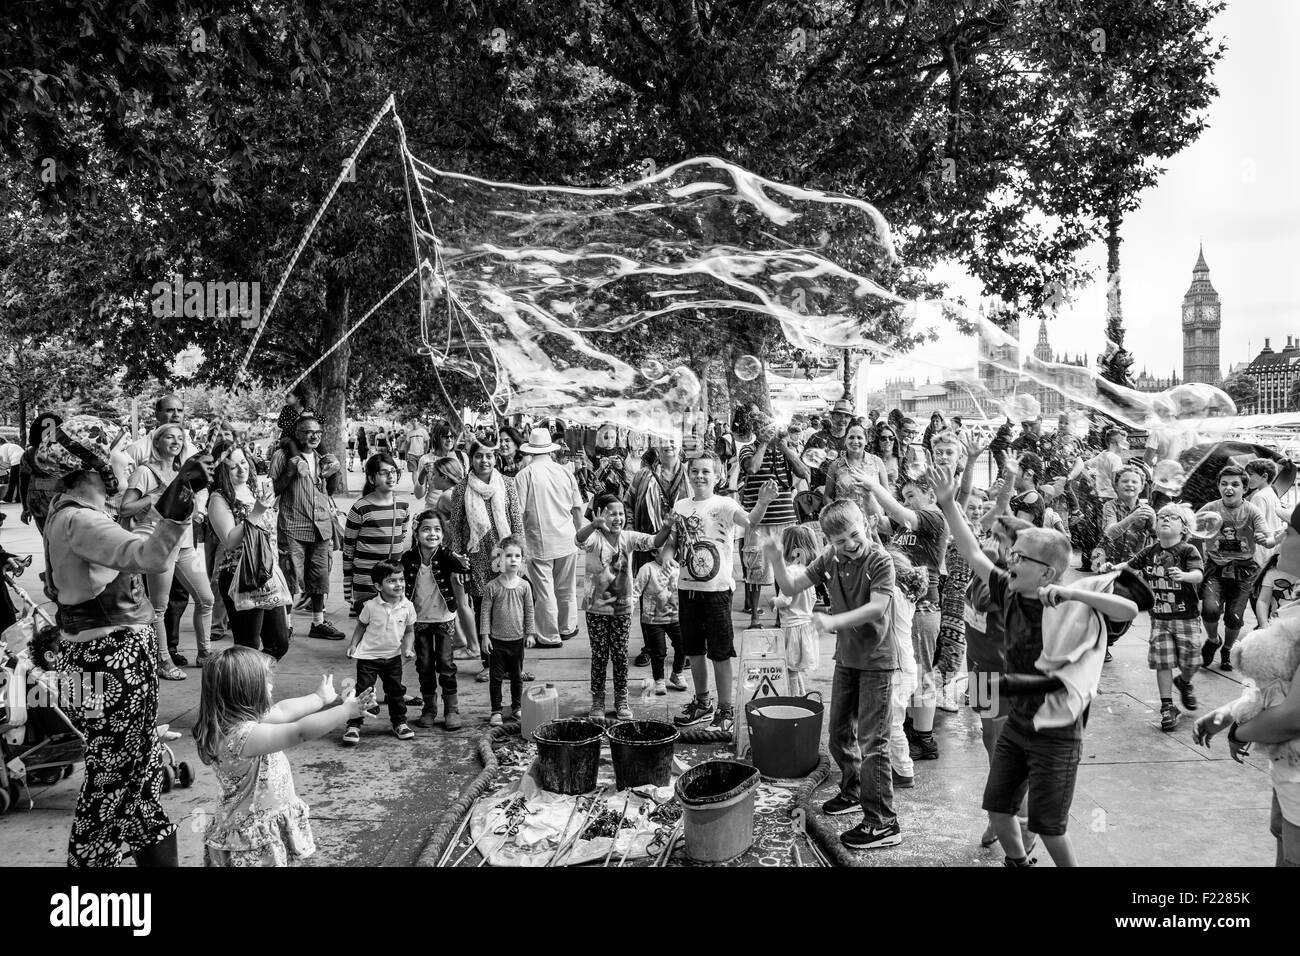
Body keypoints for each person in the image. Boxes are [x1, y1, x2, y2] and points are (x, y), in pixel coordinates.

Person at [933, 462, 1139, 867]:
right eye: (1013, 553)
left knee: (1050, 829)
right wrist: (947, 504)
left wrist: (1072, 595)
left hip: (1056, 734)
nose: (1010, 559)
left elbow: (1128, 607)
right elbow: (971, 550)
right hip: (1017, 726)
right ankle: (1018, 862)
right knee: (997, 810)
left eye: (1021, 557)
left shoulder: (1070, 609)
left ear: (1045, 571)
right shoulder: (1008, 591)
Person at [39, 415, 213, 866]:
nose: (126, 457)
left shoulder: (75, 513)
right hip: (109, 661)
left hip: (96, 657)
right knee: (114, 776)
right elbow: (150, 557)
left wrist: (172, 502)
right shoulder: (81, 521)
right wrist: (176, 510)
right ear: (97, 466)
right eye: (119, 450)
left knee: (135, 777)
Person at [767, 500, 900, 850]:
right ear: (828, 541)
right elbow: (791, 586)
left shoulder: (880, 560)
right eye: (840, 541)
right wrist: (775, 558)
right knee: (839, 731)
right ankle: (853, 791)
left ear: (866, 524)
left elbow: (877, 607)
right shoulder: (830, 558)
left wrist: (832, 622)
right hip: (847, 659)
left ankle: (882, 822)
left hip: (878, 662)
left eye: (854, 535)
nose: (850, 544)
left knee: (874, 741)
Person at [194, 646, 377, 866]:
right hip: (251, 841)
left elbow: (282, 711)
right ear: (245, 690)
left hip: (253, 825)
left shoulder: (231, 721)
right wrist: (346, 711)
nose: (271, 685)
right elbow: (299, 732)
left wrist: (319, 698)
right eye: (265, 682)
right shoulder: (243, 736)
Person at [671, 454, 776, 731]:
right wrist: (668, 556)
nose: (699, 476)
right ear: (688, 475)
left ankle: (725, 709)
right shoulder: (681, 505)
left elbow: (750, 521)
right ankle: (702, 702)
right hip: (687, 588)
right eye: (694, 471)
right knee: (693, 648)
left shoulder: (725, 503)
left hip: (717, 590)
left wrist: (763, 502)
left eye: (706, 471)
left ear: (717, 476)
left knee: (719, 651)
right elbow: (675, 539)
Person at [1193, 598, 1300, 867]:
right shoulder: (1295, 598)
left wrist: (1239, 732)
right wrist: (1231, 713)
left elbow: (1291, 716)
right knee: (1284, 843)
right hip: (1286, 775)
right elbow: (1271, 687)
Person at [859, 469, 948, 761]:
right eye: (905, 496)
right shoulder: (907, 527)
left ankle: (925, 739)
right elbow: (885, 520)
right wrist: (869, 495)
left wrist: (875, 485)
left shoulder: (934, 517)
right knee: (911, 671)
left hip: (923, 608)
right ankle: (914, 727)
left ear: (931, 495)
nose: (906, 501)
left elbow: (897, 512)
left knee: (922, 672)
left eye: (912, 496)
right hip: (906, 606)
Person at [119, 423, 214, 678]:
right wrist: (154, 497)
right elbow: (125, 509)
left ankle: (205, 654)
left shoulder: (184, 472)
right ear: (157, 442)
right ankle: (163, 659)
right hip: (159, 545)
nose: (176, 441)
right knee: (159, 608)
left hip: (184, 547)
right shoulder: (145, 471)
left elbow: (190, 509)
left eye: (180, 438)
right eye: (169, 437)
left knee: (206, 599)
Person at [577, 494, 676, 718]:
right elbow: (579, 540)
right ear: (600, 514)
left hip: (622, 608)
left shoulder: (628, 538)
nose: (618, 518)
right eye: (612, 513)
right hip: (596, 609)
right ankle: (598, 701)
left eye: (621, 513)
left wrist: (667, 527)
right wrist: (592, 525)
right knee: (600, 655)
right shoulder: (594, 538)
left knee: (620, 655)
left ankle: (621, 699)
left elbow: (654, 542)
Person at [1108, 504, 1205, 732]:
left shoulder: (1188, 550)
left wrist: (1184, 575)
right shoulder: (1150, 551)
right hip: (1159, 618)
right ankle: (1167, 706)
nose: (1165, 519)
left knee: (1191, 661)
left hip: (1186, 617)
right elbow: (1129, 566)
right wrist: (1113, 567)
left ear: (1184, 528)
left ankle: (1184, 681)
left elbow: (1199, 575)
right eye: (1162, 516)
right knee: (1163, 661)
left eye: (1173, 517)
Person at [448, 439, 524, 681]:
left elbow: (516, 522)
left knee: (510, 610)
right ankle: (489, 664)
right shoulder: (461, 489)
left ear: (496, 458)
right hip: (477, 557)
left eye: (489, 456)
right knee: (484, 609)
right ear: (471, 458)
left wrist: (521, 555)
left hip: (506, 556)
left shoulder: (508, 484)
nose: (485, 461)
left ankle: (515, 667)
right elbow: (457, 528)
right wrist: (457, 559)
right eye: (479, 455)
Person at [207, 441, 291, 659]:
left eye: (243, 462)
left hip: (267, 573)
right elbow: (229, 541)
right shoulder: (219, 498)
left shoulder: (255, 490)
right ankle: (246, 687)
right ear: (222, 470)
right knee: (248, 646)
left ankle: (257, 681)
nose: (241, 469)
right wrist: (256, 513)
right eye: (233, 466)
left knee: (279, 643)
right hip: (240, 575)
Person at [270, 414, 344, 641]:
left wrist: (334, 473)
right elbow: (273, 490)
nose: (313, 436)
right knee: (290, 575)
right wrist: (290, 472)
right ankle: (286, 624)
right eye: (308, 432)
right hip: (293, 525)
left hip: (321, 526)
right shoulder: (282, 456)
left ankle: (318, 622)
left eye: (318, 433)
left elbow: (329, 491)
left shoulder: (323, 457)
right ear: (297, 434)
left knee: (320, 575)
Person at [401, 510, 475, 730]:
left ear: (443, 534)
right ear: (416, 533)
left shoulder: (445, 555)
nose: (431, 534)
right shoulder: (408, 558)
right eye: (426, 529)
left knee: (445, 664)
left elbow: (463, 566)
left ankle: (451, 710)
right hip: (419, 620)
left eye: (437, 530)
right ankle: (429, 709)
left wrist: (462, 561)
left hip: (444, 618)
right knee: (424, 665)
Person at [514, 427, 584, 648]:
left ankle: (548, 635)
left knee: (544, 591)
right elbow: (577, 508)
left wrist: (517, 542)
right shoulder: (564, 471)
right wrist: (579, 533)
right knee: (566, 588)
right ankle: (567, 627)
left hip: (539, 540)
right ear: (550, 450)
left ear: (530, 451)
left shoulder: (525, 475)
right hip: (567, 537)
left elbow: (519, 511)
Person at [1199, 465, 1272, 671]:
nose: (1228, 488)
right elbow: (1191, 526)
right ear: (1218, 487)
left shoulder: (1251, 510)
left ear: (1244, 488)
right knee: (1210, 609)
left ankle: (1227, 649)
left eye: (1234, 484)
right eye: (1224, 484)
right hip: (1215, 568)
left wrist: (1263, 538)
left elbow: (1267, 537)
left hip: (1244, 571)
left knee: (1234, 616)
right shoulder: (1210, 508)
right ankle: (1213, 640)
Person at [739, 410, 808, 628]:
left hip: (785, 519)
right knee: (755, 570)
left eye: (769, 426)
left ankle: (780, 615)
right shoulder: (748, 449)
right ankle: (755, 618)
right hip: (758, 520)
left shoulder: (786, 450)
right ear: (756, 430)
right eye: (762, 427)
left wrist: (784, 447)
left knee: (784, 569)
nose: (767, 430)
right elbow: (753, 468)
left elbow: (804, 472)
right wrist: (763, 444)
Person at [342, 560, 417, 745]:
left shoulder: (408, 606)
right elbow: (361, 626)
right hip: (368, 657)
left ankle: (399, 723)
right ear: (378, 586)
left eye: (401, 580)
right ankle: (354, 725)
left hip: (392, 657)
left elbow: (409, 631)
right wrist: (353, 645)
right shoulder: (370, 606)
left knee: (395, 692)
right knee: (363, 691)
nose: (398, 584)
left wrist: (407, 648)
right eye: (392, 581)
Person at [342, 452, 410, 615]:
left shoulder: (402, 506)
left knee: (392, 628)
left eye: (393, 471)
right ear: (372, 479)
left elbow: (402, 536)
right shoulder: (360, 508)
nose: (390, 476)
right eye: (384, 472)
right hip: (366, 580)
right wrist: (347, 585)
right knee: (368, 628)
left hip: (393, 580)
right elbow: (348, 549)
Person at [478, 536, 536, 725]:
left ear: (522, 560)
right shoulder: (491, 587)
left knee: (516, 676)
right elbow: (484, 613)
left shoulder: (525, 586)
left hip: (517, 640)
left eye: (517, 556)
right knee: (495, 678)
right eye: (508, 555)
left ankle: (517, 707)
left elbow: (529, 611)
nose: (513, 559)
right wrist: (485, 636)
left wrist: (530, 633)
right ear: (499, 560)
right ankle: (496, 710)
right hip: (496, 641)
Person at [632, 537, 686, 694]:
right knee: (658, 651)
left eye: (673, 547)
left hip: (675, 618)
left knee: (682, 646)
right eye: (666, 547)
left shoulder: (677, 568)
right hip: (653, 620)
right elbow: (636, 590)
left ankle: (677, 673)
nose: (672, 550)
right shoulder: (647, 569)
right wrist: (629, 607)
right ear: (655, 551)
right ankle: (659, 680)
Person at [771, 525, 820, 696]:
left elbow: (786, 599)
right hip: (805, 626)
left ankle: (793, 700)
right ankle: (801, 696)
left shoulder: (789, 572)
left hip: (791, 628)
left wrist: (774, 602)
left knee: (790, 669)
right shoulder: (808, 571)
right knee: (796, 669)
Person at [820, 421, 889, 522]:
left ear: (866, 440)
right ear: (845, 440)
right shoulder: (835, 465)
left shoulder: (877, 462)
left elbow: (886, 493)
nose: (855, 441)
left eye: (859, 437)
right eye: (851, 437)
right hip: (847, 523)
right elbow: (827, 496)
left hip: (874, 520)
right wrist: (837, 515)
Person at [19, 412, 63, 533]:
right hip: (60, 501)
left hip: (37, 502)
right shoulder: (63, 452)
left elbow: (23, 482)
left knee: (46, 537)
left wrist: (25, 508)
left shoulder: (28, 454)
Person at [275, 384, 313, 448]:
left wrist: (313, 417)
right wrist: (296, 422)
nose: (285, 398)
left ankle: (327, 457)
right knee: (291, 443)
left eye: (288, 396)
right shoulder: (286, 409)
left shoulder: (308, 410)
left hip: (303, 438)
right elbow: (280, 423)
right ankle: (296, 458)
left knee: (318, 442)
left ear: (298, 398)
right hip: (287, 438)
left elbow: (322, 419)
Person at [0, 437, 23, 503]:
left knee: (12, 481)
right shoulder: (12, 445)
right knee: (19, 481)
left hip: (16, 461)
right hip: (24, 461)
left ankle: (8, 498)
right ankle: (19, 498)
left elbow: (5, 460)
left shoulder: (2, 447)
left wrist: (6, 469)